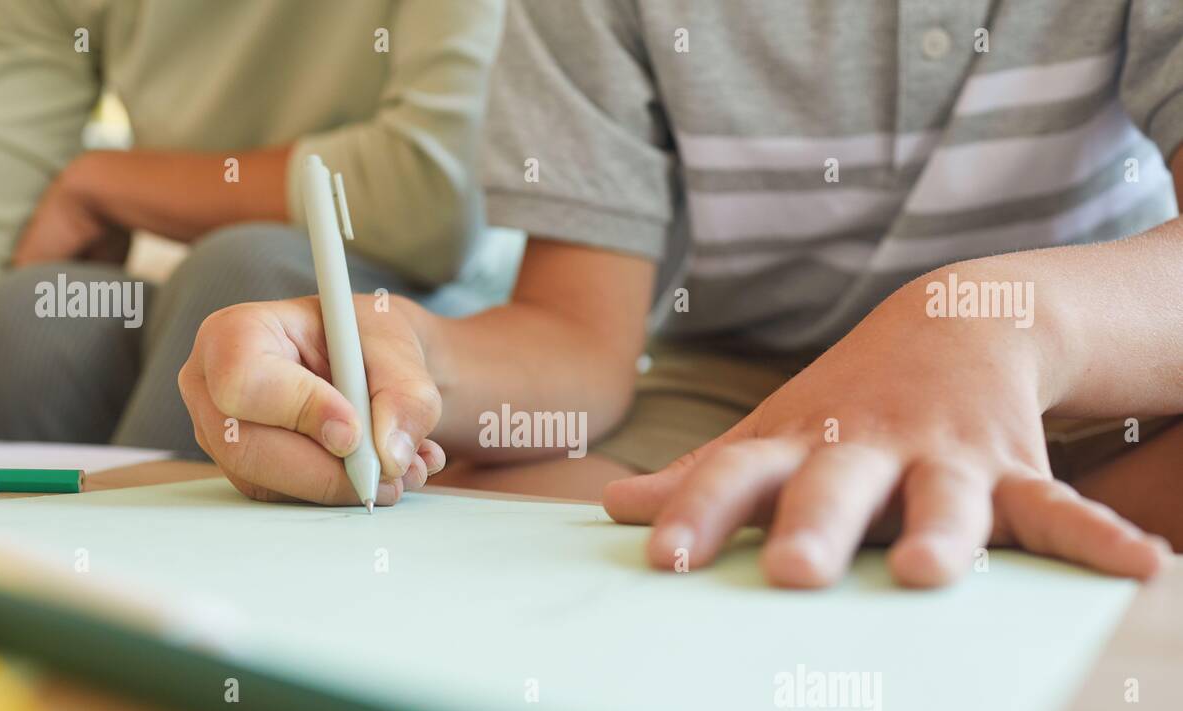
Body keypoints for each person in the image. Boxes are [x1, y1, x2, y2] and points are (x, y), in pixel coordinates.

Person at [180, 0, 1183, 587]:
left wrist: (986, 325)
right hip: (731, 401)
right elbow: (574, 339)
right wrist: (406, 356)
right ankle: (992, 522)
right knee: (458, 532)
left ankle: (999, 509)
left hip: (1088, 383)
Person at [0, 0, 507, 466]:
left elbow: (437, 194)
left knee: (243, 275)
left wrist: (105, 181)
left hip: (453, 307)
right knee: (25, 324)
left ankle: (154, 621)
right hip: (208, 288)